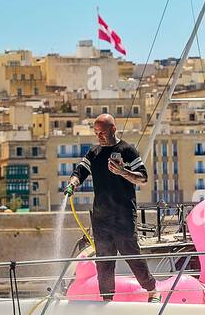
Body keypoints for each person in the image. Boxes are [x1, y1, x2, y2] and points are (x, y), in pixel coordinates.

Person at [66, 114, 158, 301]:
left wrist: (122, 172)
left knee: (131, 254)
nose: (99, 136)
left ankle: (152, 291)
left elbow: (143, 179)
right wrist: (73, 183)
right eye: (96, 133)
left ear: (114, 129)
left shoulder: (127, 150)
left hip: (123, 215)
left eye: (103, 132)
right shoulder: (94, 153)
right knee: (104, 260)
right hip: (101, 217)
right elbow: (80, 171)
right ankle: (107, 298)